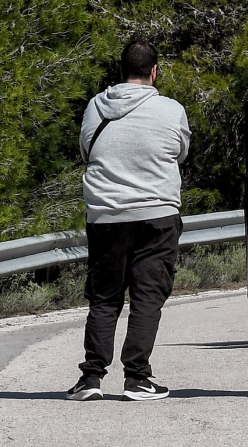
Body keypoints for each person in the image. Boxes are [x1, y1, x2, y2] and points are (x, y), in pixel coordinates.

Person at [66, 39, 190, 402]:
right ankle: (137, 378)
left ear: (120, 71)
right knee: (147, 298)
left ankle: (91, 378)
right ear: (154, 71)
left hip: (106, 214)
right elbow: (180, 153)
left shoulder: (95, 106)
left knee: (104, 298)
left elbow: (86, 150)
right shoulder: (171, 110)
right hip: (156, 214)